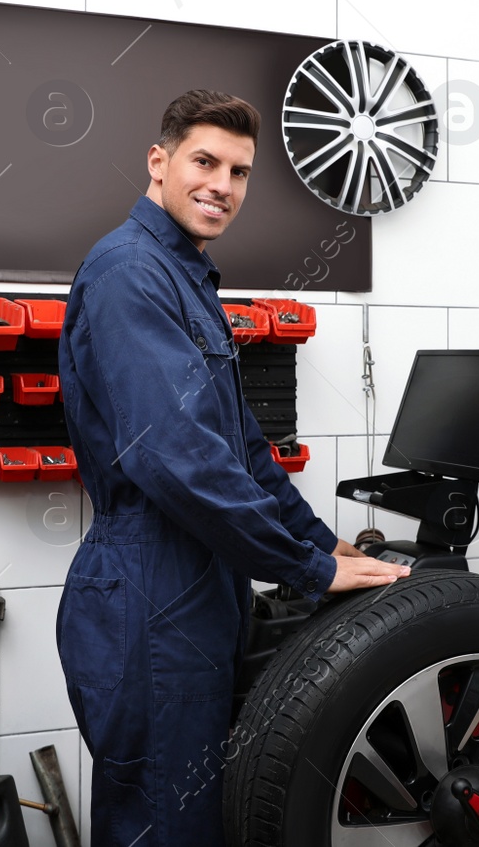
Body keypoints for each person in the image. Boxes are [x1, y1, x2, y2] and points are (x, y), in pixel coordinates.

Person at [55, 89, 408, 845]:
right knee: (167, 826)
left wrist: (323, 544)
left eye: (239, 171)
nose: (222, 184)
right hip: (152, 590)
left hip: (196, 585)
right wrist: (304, 568)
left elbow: (242, 450)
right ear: (160, 162)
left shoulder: (186, 275)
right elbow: (174, 456)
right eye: (205, 161)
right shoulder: (129, 271)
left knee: (201, 818)